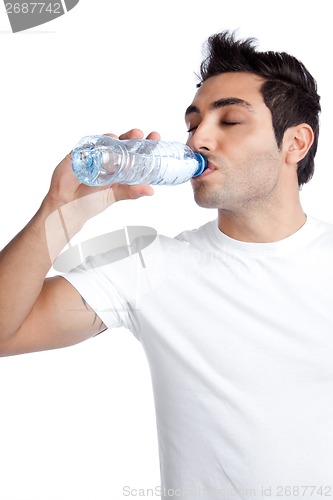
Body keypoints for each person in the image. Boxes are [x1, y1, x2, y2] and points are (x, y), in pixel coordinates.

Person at [0, 30, 331, 499]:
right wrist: (60, 211)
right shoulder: (151, 265)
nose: (200, 138)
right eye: (193, 123)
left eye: (230, 120)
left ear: (295, 143)